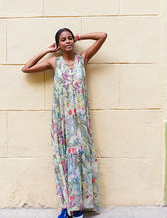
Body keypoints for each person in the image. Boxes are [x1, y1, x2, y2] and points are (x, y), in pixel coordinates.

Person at [22, 28, 107, 218]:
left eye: (70, 38)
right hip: (62, 121)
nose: (68, 41)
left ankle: (79, 206)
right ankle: (67, 205)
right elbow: (26, 68)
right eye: (63, 39)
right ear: (58, 44)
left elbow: (102, 36)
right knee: (64, 160)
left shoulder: (82, 59)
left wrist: (80, 36)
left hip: (81, 121)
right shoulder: (54, 62)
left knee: (79, 157)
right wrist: (46, 51)